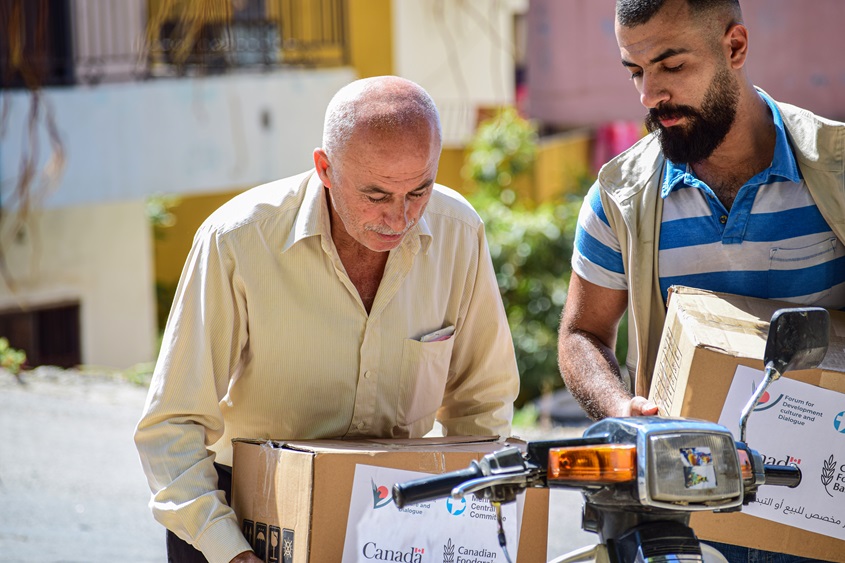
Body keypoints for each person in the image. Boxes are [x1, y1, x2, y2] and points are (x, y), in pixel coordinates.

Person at [135, 76, 520, 563]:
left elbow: (482, 403)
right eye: (376, 196)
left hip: (394, 519)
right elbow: (171, 425)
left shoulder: (458, 232)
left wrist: (463, 531)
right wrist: (227, 548)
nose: (399, 219)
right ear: (325, 168)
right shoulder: (236, 241)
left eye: (418, 192)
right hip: (243, 515)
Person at [558, 1, 843, 562]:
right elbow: (580, 335)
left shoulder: (835, 169)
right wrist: (621, 410)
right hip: (684, 529)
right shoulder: (619, 199)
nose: (648, 95)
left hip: (827, 513)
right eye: (636, 71)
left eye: (671, 65)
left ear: (734, 47)